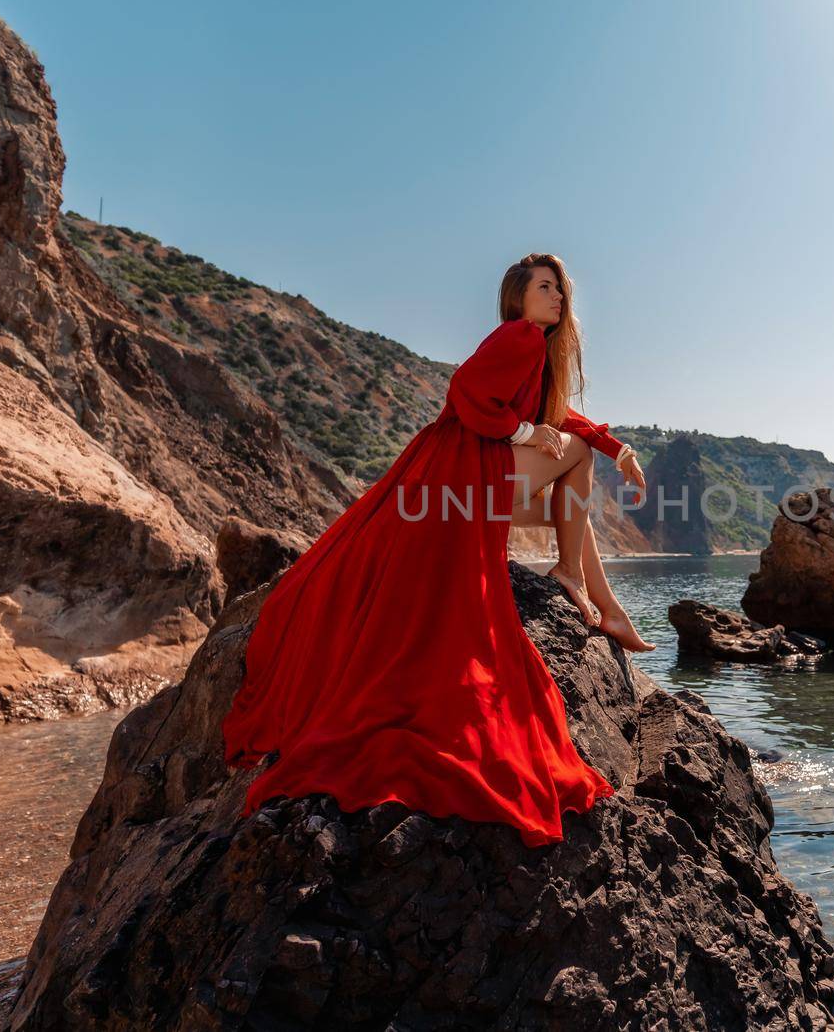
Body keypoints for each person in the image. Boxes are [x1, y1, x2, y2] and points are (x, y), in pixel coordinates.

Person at [220, 253, 652, 847]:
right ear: (518, 298)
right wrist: (531, 435)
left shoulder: (530, 347)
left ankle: (586, 586)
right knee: (573, 455)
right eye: (545, 288)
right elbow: (468, 391)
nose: (557, 298)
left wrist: (612, 442)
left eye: (561, 289)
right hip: (463, 471)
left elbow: (560, 413)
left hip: (454, 474)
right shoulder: (520, 336)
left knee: (574, 454)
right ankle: (577, 580)